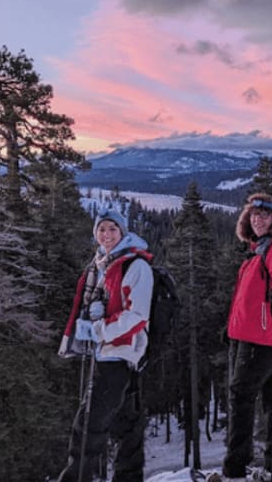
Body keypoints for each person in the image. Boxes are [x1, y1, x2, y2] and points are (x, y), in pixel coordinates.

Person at [212, 192, 272, 482]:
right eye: (253, 215)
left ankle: (235, 470)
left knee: (241, 397)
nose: (257, 219)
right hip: (259, 334)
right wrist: (233, 329)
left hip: (265, 337)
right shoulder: (260, 249)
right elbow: (249, 299)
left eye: (264, 215)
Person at [56, 207, 153, 482]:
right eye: (101, 229)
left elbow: (138, 316)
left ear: (123, 232)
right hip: (108, 353)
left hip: (119, 353)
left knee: (87, 425)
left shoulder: (136, 266)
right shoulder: (101, 264)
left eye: (112, 229)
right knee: (126, 423)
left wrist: (98, 330)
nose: (106, 234)